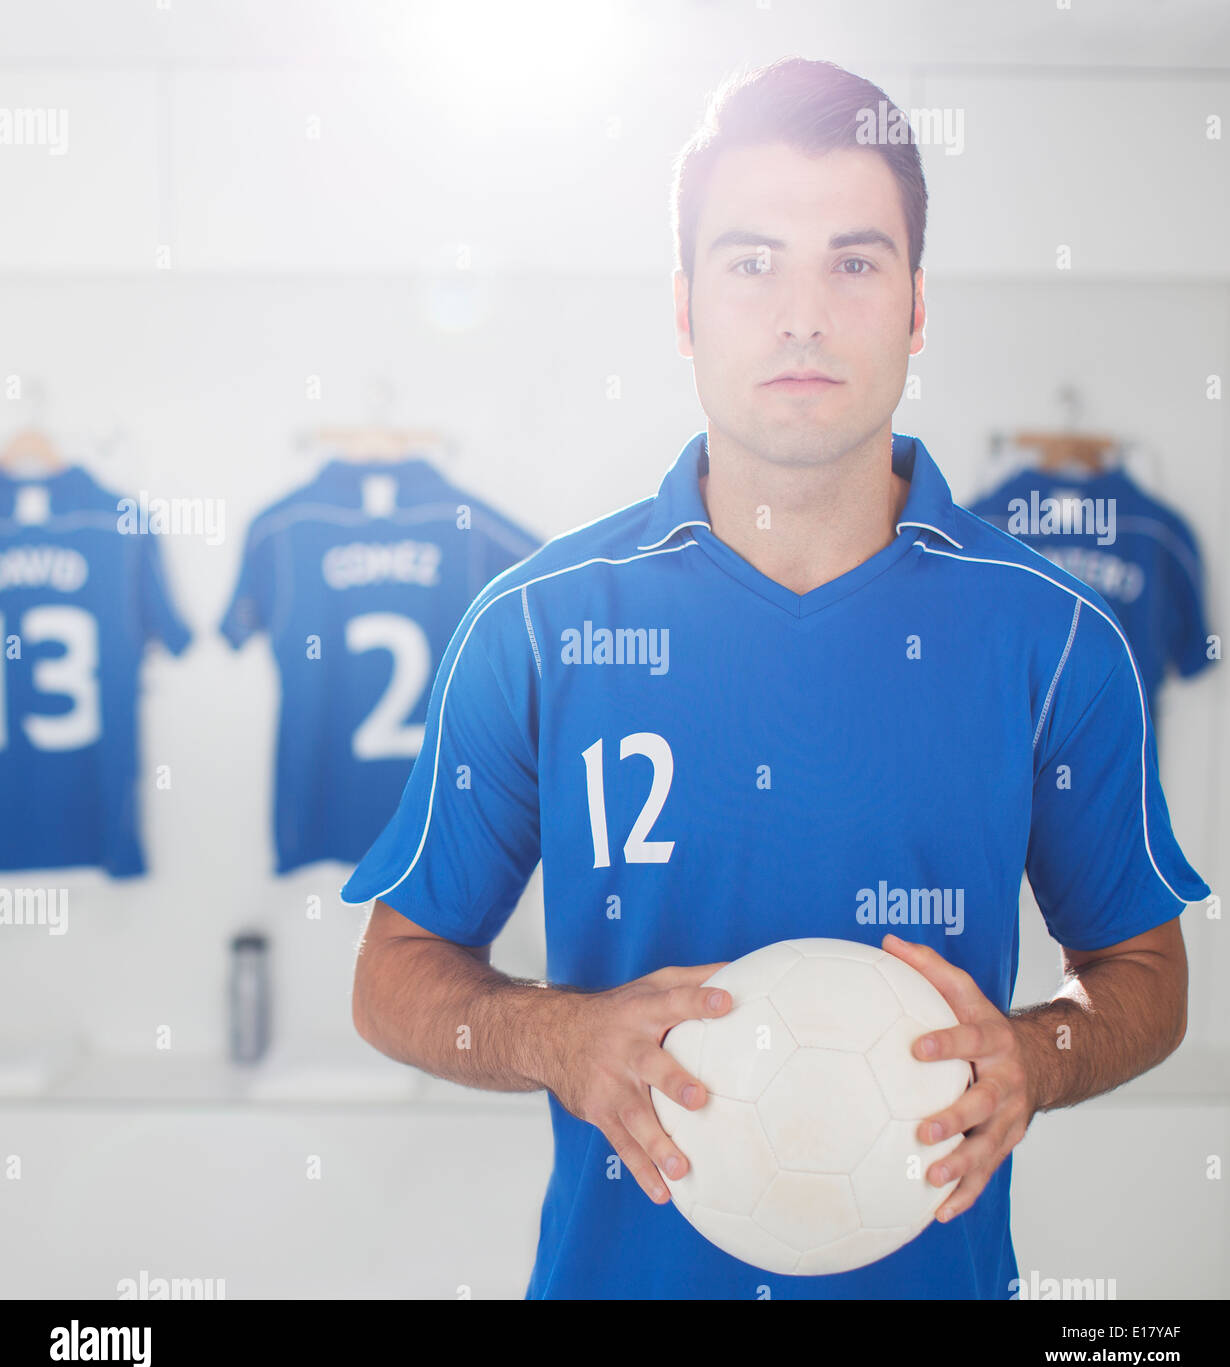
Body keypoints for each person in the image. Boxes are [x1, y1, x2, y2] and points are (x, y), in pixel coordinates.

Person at [341, 57, 1207, 1299]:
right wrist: (557, 1034)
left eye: (854, 262)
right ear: (686, 307)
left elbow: (1147, 974)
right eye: (753, 261)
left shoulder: (1056, 633)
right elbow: (393, 970)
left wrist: (1040, 1056)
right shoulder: (536, 624)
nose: (803, 313)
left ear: (918, 307)